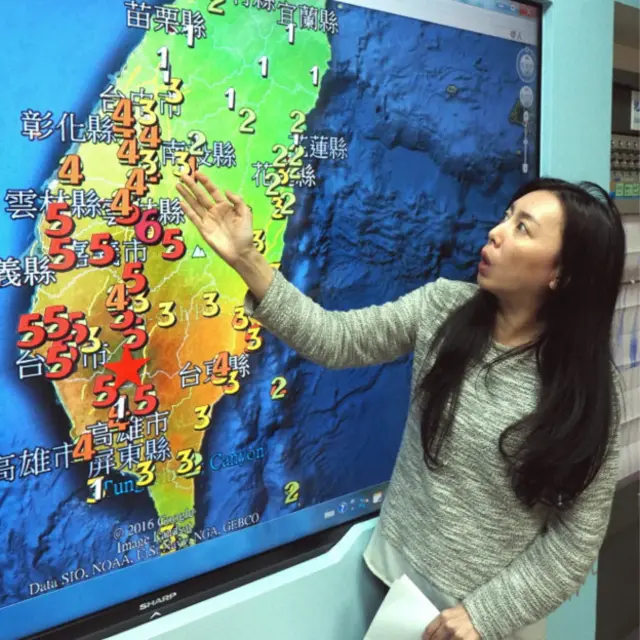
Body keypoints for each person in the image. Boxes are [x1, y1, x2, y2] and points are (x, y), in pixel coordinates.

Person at [176, 173, 626, 640]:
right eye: (506, 216)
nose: (497, 231)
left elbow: (576, 539)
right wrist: (247, 259)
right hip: (397, 586)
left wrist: (483, 616)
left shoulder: (585, 392)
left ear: (562, 274)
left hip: (491, 625)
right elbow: (336, 339)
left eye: (523, 228)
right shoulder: (444, 308)